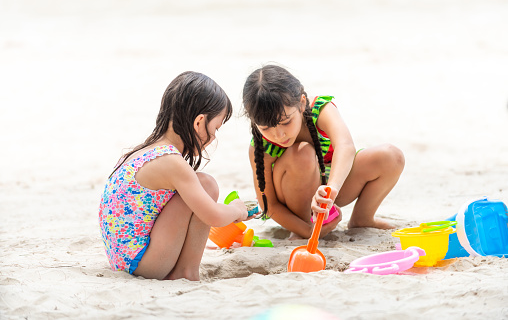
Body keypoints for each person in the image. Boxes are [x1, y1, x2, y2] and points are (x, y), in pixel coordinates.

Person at [99, 71, 252, 281]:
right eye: (215, 128)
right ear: (199, 122)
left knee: (201, 184)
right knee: (207, 185)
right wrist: (237, 210)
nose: (214, 137)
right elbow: (214, 216)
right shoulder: (171, 161)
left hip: (123, 259)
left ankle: (180, 269)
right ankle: (186, 273)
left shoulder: (143, 152)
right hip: (145, 264)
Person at [243, 65, 405, 240]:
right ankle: (301, 227)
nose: (279, 134)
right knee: (302, 154)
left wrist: (330, 189)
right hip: (293, 197)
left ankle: (362, 219)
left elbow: (346, 146)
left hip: (330, 190)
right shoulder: (259, 147)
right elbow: (270, 205)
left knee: (391, 156)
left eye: (286, 122)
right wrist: (307, 231)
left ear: (302, 103)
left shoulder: (320, 110)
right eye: (266, 128)